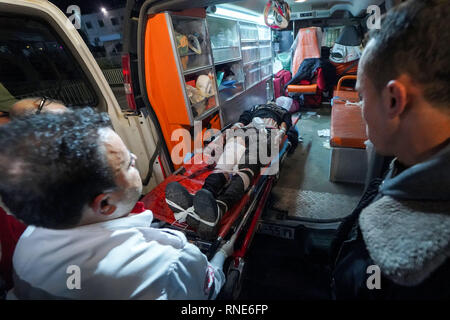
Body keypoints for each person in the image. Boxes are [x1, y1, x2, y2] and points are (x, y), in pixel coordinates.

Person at [0, 108, 230, 299]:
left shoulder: (27, 243)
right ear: (105, 204)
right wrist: (221, 256)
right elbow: (207, 289)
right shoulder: (167, 261)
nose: (136, 158)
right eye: (128, 163)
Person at [330, 0, 450, 299]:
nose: (359, 107)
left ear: (393, 100)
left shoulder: (414, 274)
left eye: (361, 96)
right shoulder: (410, 166)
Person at [165, 102, 298, 239]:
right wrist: (225, 134)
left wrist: (280, 135)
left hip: (267, 132)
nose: (273, 103)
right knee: (225, 164)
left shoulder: (283, 111)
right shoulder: (256, 106)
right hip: (246, 130)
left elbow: (285, 127)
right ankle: (200, 201)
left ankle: (219, 208)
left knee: (246, 165)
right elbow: (243, 120)